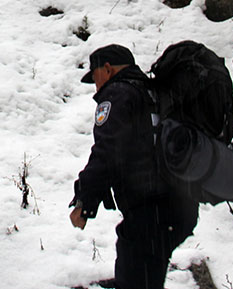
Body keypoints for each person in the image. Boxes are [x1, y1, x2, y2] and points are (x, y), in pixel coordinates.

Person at [69, 44, 198, 289]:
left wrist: (84, 201)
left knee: (136, 275)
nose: (95, 85)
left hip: (151, 212)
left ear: (107, 69)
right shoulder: (156, 91)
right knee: (145, 273)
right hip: (182, 206)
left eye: (94, 76)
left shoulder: (117, 93)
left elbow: (107, 151)